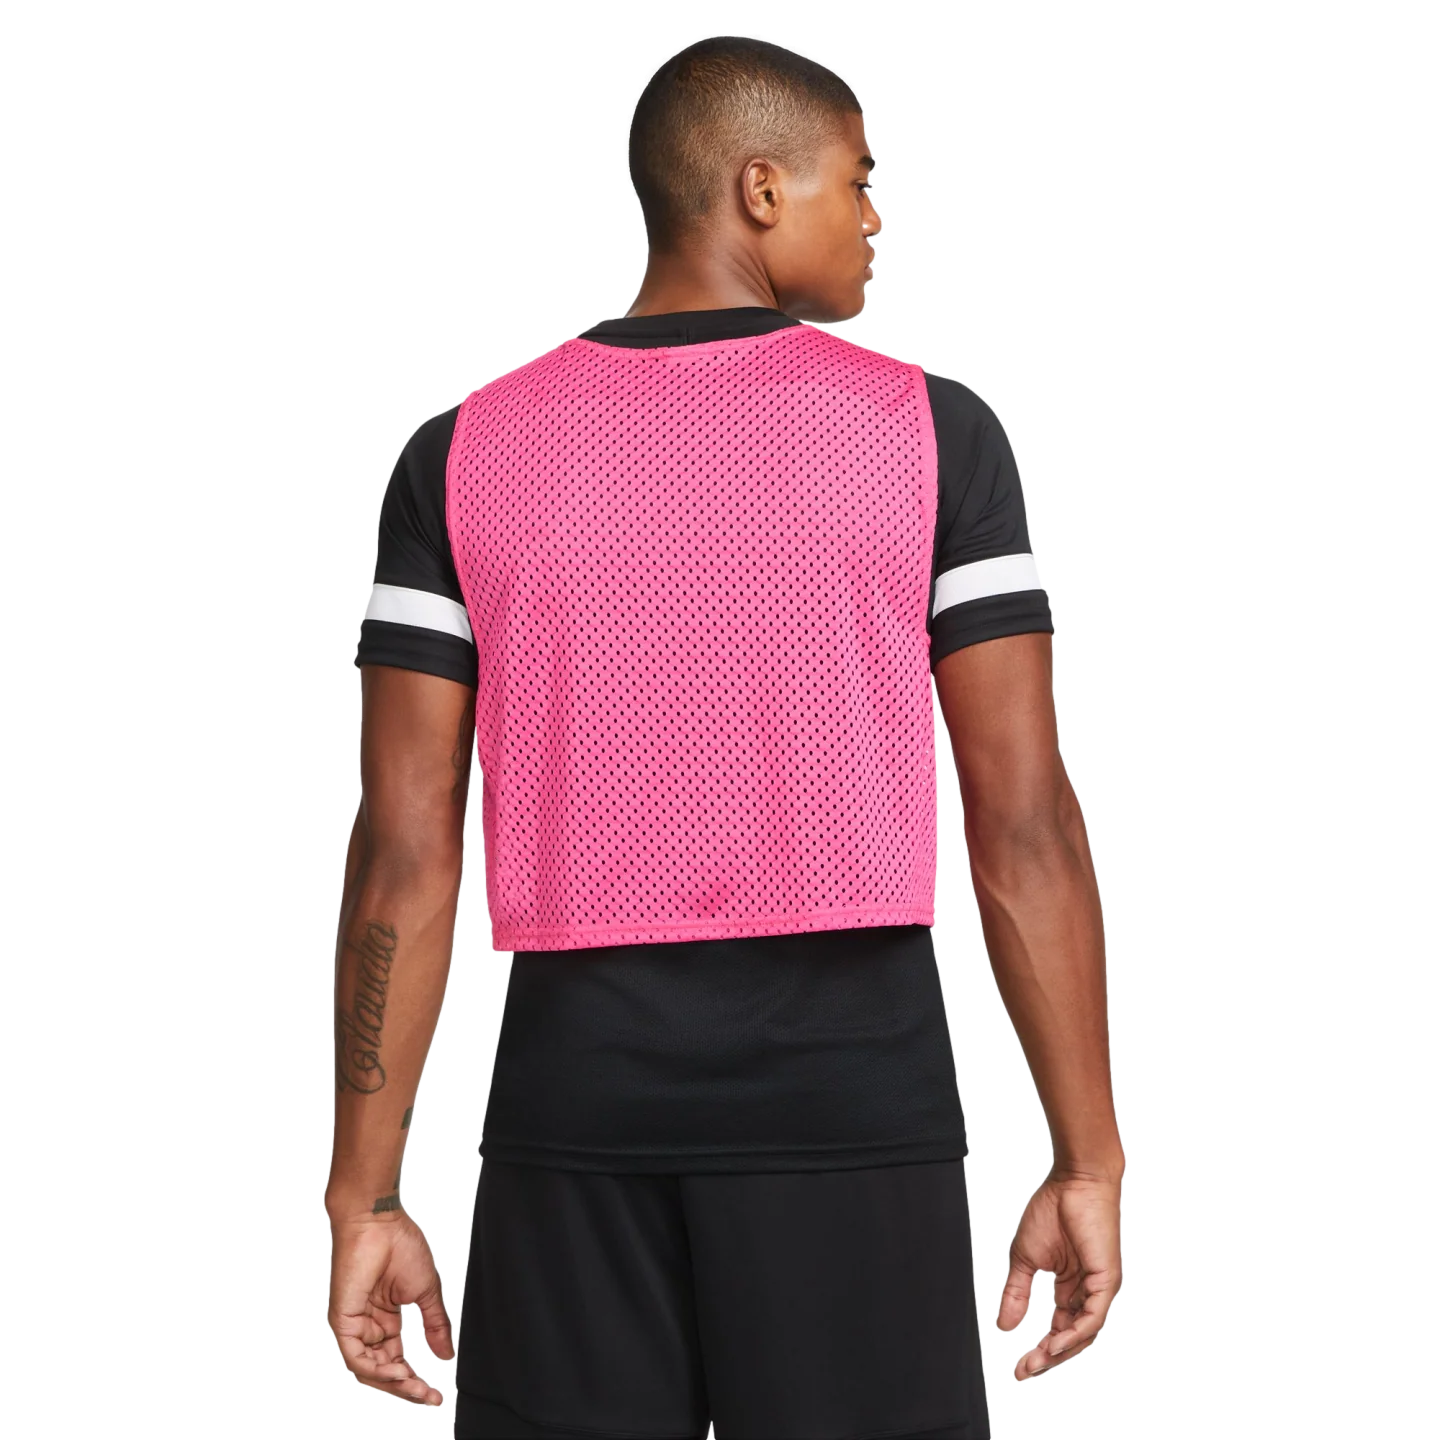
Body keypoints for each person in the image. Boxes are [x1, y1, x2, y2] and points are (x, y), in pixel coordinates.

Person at [326, 32, 1124, 1439]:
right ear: (762, 189)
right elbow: (1023, 829)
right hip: (855, 1119)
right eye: (859, 182)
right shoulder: (933, 433)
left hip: (572, 1122)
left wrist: (363, 1196)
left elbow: (403, 852)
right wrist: (1088, 1162)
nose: (877, 219)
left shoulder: (462, 448)